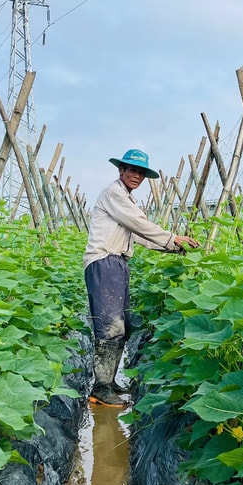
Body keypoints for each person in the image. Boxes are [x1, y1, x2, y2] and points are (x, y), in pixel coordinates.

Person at [83, 148, 200, 407]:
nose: (137, 175)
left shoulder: (125, 199)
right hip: (104, 262)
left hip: (117, 263)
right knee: (110, 327)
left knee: (122, 328)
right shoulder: (115, 194)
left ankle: (109, 381)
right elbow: (140, 225)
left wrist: (174, 246)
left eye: (141, 172)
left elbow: (139, 235)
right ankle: (100, 389)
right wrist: (172, 238)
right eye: (132, 170)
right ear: (121, 170)